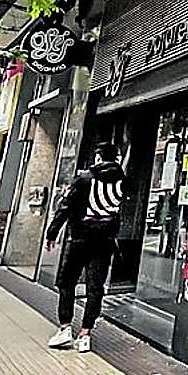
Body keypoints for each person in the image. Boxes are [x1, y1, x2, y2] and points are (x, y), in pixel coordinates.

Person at [45, 141, 126, 353]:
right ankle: (85, 334)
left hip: (79, 239)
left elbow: (65, 206)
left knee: (67, 282)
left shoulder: (85, 178)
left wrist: (52, 233)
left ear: (98, 157)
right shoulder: (122, 180)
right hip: (105, 241)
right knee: (95, 287)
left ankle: (65, 328)